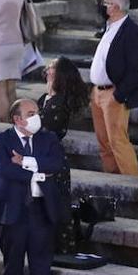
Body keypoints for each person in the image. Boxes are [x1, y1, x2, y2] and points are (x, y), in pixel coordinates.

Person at [0, 99, 64, 275]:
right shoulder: (0, 140)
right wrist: (38, 174)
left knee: (41, 268)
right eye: (31, 113)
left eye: (36, 112)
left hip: (41, 210)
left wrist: (26, 162)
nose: (36, 116)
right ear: (17, 119)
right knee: (12, 269)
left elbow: (55, 164)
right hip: (12, 212)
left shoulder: (49, 138)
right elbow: (5, 169)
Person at [90, 0, 138, 176]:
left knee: (117, 142)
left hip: (113, 94)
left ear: (115, 7)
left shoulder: (133, 32)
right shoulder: (109, 26)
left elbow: (135, 69)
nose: (103, 6)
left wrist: (118, 95)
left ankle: (134, 185)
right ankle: (113, 182)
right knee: (104, 142)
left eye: (106, 3)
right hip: (97, 93)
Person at [39, 57, 88, 255]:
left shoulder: (60, 102)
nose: (47, 70)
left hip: (53, 159)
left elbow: (48, 128)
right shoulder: (45, 98)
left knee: (58, 206)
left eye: (52, 68)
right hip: (40, 157)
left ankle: (63, 249)